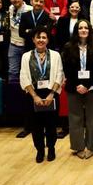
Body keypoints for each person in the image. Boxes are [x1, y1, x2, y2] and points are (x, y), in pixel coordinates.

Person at [20, 26, 64, 163]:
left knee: (51, 124)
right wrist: (34, 96)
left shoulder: (56, 55)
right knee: (36, 125)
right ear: (33, 39)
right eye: (38, 37)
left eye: (44, 37)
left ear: (48, 40)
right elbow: (24, 76)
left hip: (51, 93)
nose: (41, 40)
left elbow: (59, 74)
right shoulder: (26, 56)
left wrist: (51, 94)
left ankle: (51, 148)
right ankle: (39, 150)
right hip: (34, 94)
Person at [62, 19, 93, 159]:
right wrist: (76, 86)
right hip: (74, 88)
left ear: (90, 30)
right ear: (76, 31)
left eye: (86, 28)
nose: (83, 30)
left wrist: (87, 86)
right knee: (75, 118)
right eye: (80, 28)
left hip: (92, 87)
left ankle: (91, 146)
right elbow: (67, 69)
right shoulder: (68, 47)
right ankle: (78, 147)